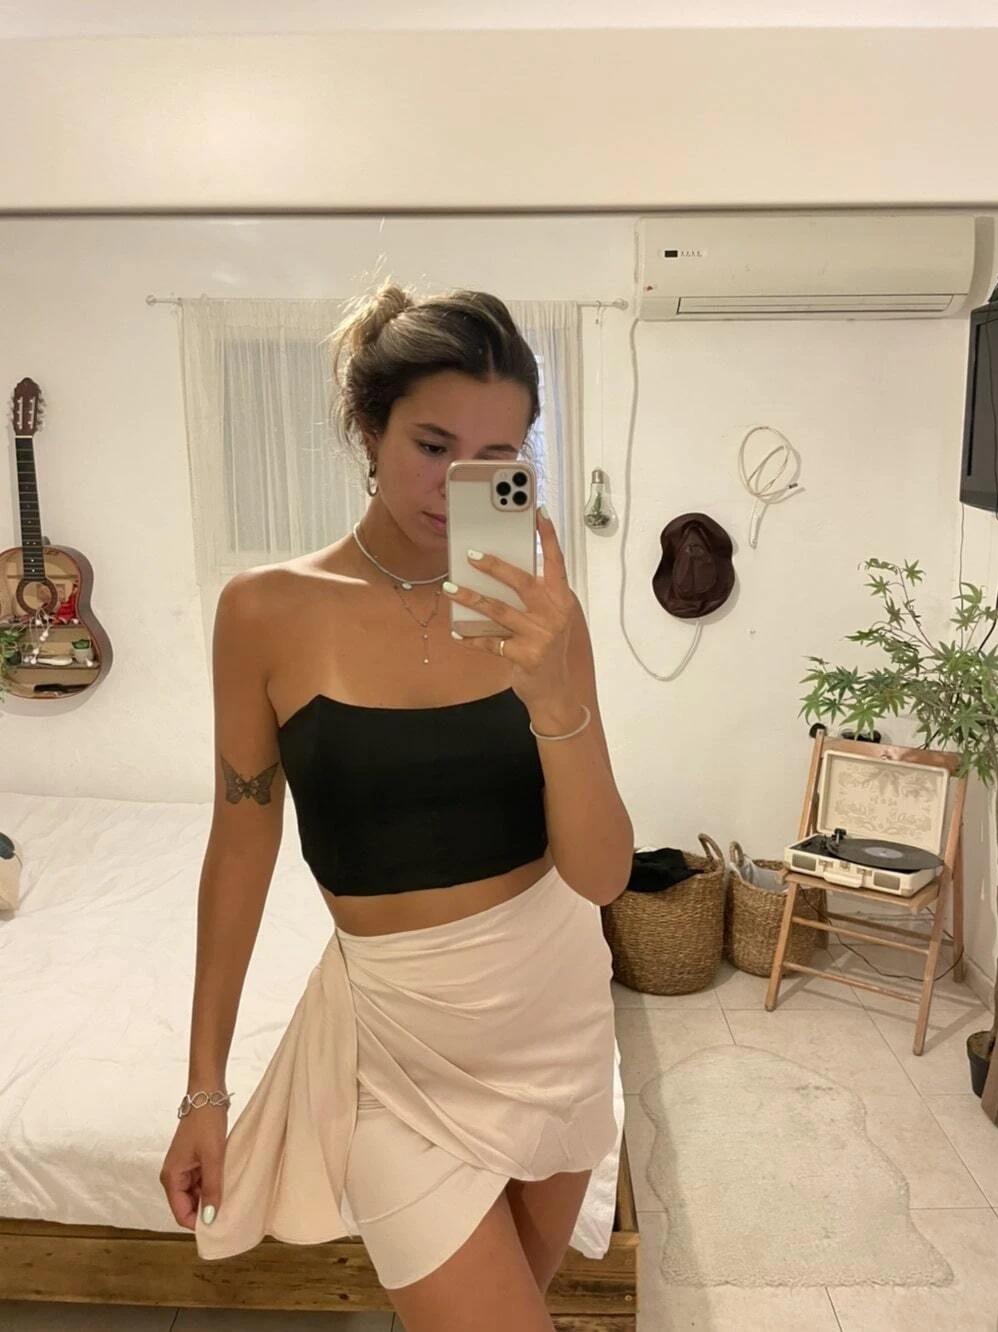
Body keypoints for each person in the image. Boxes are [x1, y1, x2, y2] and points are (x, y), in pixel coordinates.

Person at [159, 280, 634, 1332]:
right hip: (398, 1044)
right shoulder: (266, 611)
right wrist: (204, 1089)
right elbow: (240, 844)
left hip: (552, 1012)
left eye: (496, 458)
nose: (458, 485)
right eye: (432, 445)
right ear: (367, 429)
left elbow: (603, 875)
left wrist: (556, 696)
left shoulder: (541, 618)